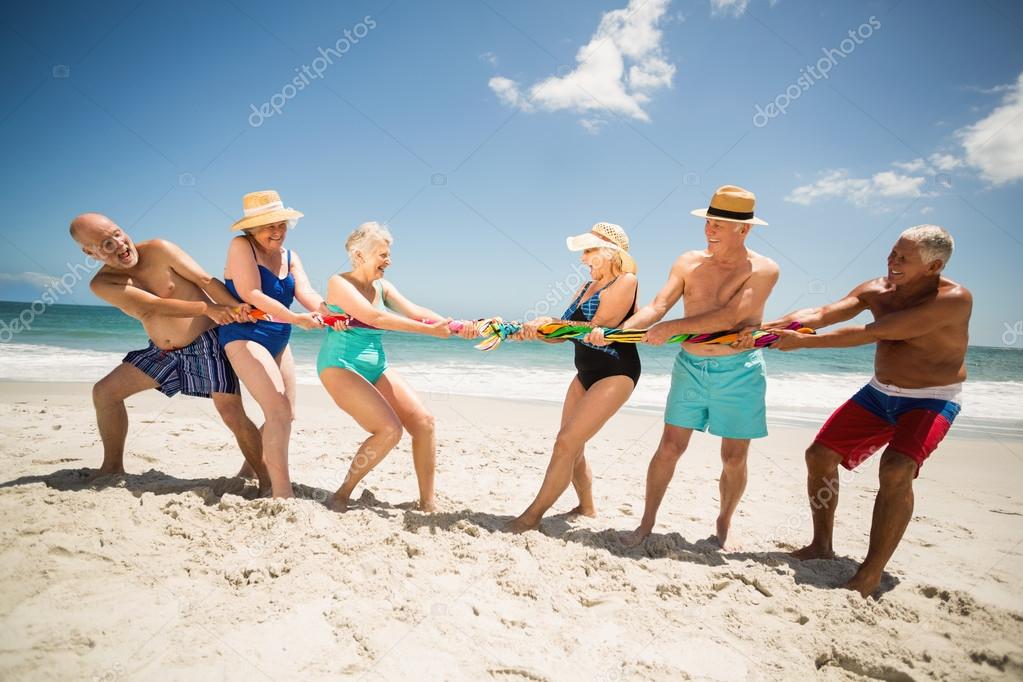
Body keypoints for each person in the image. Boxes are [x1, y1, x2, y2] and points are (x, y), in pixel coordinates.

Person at [762, 225, 971, 598]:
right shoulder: (877, 288)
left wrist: (802, 345)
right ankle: (821, 545)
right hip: (880, 393)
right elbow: (823, 313)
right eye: (893, 252)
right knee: (820, 455)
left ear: (934, 265)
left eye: (903, 258)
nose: (892, 261)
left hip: (931, 398)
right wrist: (768, 328)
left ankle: (870, 572)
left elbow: (876, 332)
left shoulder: (953, 299)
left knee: (895, 469)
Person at [593, 185, 779, 550]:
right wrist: (618, 332)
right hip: (691, 365)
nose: (710, 229)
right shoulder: (687, 261)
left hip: (739, 369)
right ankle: (645, 524)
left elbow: (732, 315)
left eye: (720, 224)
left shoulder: (764, 269)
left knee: (733, 456)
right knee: (669, 447)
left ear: (745, 229)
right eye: (709, 221)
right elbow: (659, 305)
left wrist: (671, 328)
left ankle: (724, 522)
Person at [69, 212, 269, 488]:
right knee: (105, 392)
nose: (119, 244)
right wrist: (208, 308)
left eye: (117, 233)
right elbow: (154, 305)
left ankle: (267, 479)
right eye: (106, 244)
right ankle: (112, 467)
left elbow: (205, 281)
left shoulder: (160, 249)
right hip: (162, 353)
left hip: (205, 345)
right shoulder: (103, 284)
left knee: (232, 413)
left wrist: (235, 308)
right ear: (90, 253)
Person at [318, 221, 475, 512]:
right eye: (382, 254)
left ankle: (427, 503)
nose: (388, 261)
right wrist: (429, 332)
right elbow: (375, 319)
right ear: (360, 255)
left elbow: (417, 312)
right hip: (340, 365)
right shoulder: (338, 283)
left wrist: (457, 326)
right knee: (389, 430)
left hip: (376, 366)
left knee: (424, 423)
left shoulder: (383, 287)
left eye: (388, 254)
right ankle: (342, 494)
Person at [505, 222, 640, 533]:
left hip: (616, 371)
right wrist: (537, 331)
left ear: (609, 252)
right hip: (586, 373)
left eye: (589, 251)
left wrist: (550, 323)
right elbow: (563, 335)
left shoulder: (626, 281)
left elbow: (598, 328)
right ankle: (587, 507)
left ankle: (531, 516)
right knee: (573, 446)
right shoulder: (583, 288)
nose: (583, 259)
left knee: (566, 442)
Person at [219, 190, 325, 499]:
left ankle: (248, 471)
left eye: (281, 224)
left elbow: (307, 292)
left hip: (280, 339)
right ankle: (282, 492)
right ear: (251, 228)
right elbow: (251, 293)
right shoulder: (241, 246)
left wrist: (329, 310)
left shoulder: (291, 256)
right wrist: (295, 318)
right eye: (268, 225)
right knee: (277, 409)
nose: (277, 231)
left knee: (285, 414)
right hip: (244, 335)